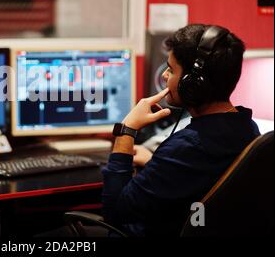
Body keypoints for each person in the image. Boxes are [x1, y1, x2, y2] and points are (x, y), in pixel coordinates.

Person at [102, 24, 261, 237]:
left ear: (193, 84)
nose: (165, 76)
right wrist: (155, 163)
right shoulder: (249, 130)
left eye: (171, 69)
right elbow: (199, 178)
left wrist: (127, 129)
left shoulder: (185, 147)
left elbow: (115, 213)